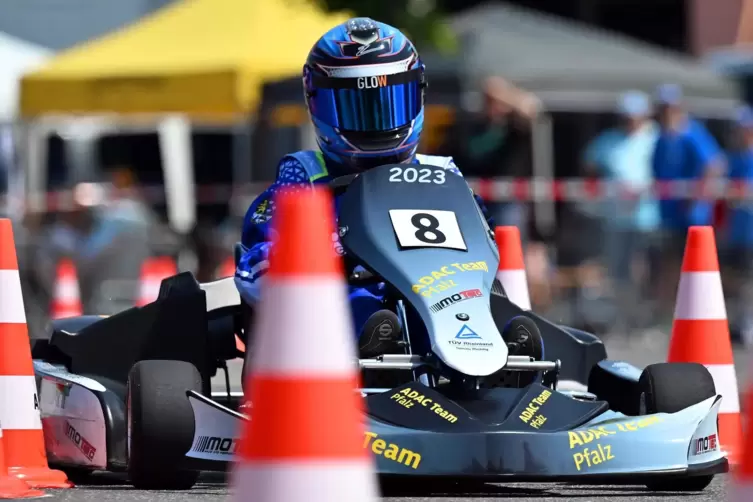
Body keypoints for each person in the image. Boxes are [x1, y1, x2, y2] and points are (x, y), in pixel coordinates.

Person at [234, 18, 496, 360]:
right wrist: (317, 251)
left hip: (443, 296)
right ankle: (375, 343)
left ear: (417, 94)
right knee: (364, 307)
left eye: (390, 102)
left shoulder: (441, 174)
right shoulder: (306, 180)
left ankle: (511, 354)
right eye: (358, 108)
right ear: (317, 103)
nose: (376, 122)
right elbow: (254, 264)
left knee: (493, 302)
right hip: (336, 324)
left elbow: (484, 239)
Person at [583, 91, 660, 329]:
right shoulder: (609, 140)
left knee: (643, 269)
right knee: (618, 270)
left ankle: (644, 316)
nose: (630, 121)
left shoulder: (655, 138)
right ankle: (623, 317)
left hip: (647, 217)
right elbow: (590, 165)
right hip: (615, 217)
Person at [651, 83, 724, 318]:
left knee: (695, 270)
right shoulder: (662, 139)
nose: (666, 113)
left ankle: (697, 314)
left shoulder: (693, 133)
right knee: (669, 266)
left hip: (693, 218)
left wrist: (696, 196)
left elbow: (714, 164)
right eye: (663, 108)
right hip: (669, 216)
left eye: (670, 108)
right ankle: (669, 315)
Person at [723, 106, 753, 345]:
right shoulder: (733, 159)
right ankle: (738, 324)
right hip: (737, 233)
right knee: (735, 281)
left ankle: (747, 324)